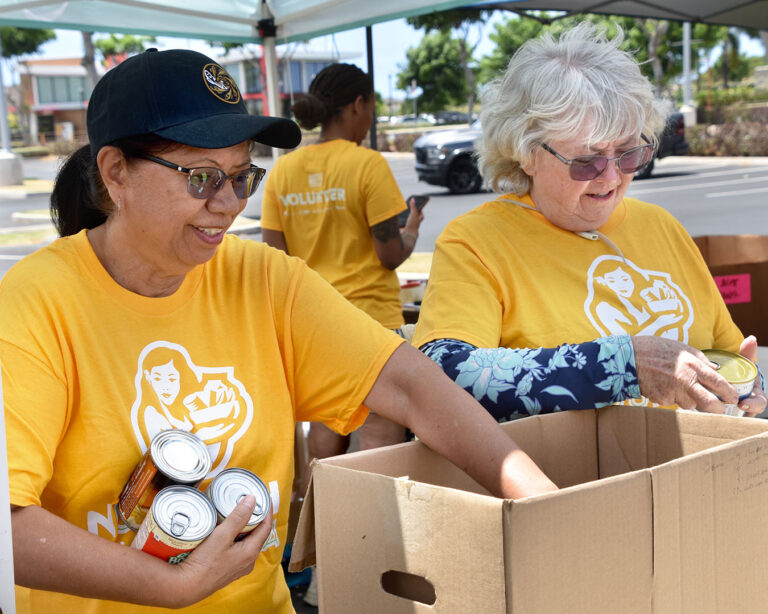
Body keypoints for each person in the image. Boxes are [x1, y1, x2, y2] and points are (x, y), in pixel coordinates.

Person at [0, 48, 558, 614]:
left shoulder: (262, 279)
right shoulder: (36, 302)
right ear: (116, 172)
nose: (228, 206)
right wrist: (173, 587)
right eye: (201, 179)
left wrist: (543, 504)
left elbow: (411, 384)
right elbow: (8, 526)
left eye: (242, 178)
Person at [412, 23, 766, 420]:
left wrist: (746, 384)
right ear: (525, 152)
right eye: (586, 161)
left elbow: (725, 347)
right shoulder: (476, 242)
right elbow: (443, 373)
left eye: (629, 154)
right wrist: (623, 365)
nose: (612, 178)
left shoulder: (660, 225)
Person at [261, 64, 422, 481]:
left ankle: (319, 527)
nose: (369, 118)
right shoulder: (367, 165)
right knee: (379, 436)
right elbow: (389, 254)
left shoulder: (282, 172)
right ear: (357, 105)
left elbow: (274, 259)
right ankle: (375, 534)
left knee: (324, 431)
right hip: (372, 322)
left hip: (313, 326)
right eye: (371, 107)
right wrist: (412, 230)